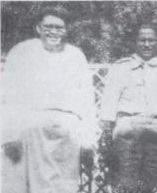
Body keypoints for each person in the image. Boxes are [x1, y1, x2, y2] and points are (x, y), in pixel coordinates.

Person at [1, 6, 97, 193]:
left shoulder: (76, 56)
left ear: (67, 30)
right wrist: (8, 135)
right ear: (38, 28)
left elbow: (87, 99)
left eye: (59, 28)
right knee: (24, 184)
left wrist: (88, 140)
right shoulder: (21, 52)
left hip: (66, 133)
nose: (54, 32)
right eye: (49, 26)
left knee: (62, 186)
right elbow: (6, 96)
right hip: (29, 131)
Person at [100, 24, 157, 193]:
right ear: (135, 42)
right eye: (142, 40)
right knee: (126, 181)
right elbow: (108, 104)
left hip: (154, 129)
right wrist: (107, 136)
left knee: (150, 182)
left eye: (151, 40)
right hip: (127, 128)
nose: (147, 44)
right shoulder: (121, 67)